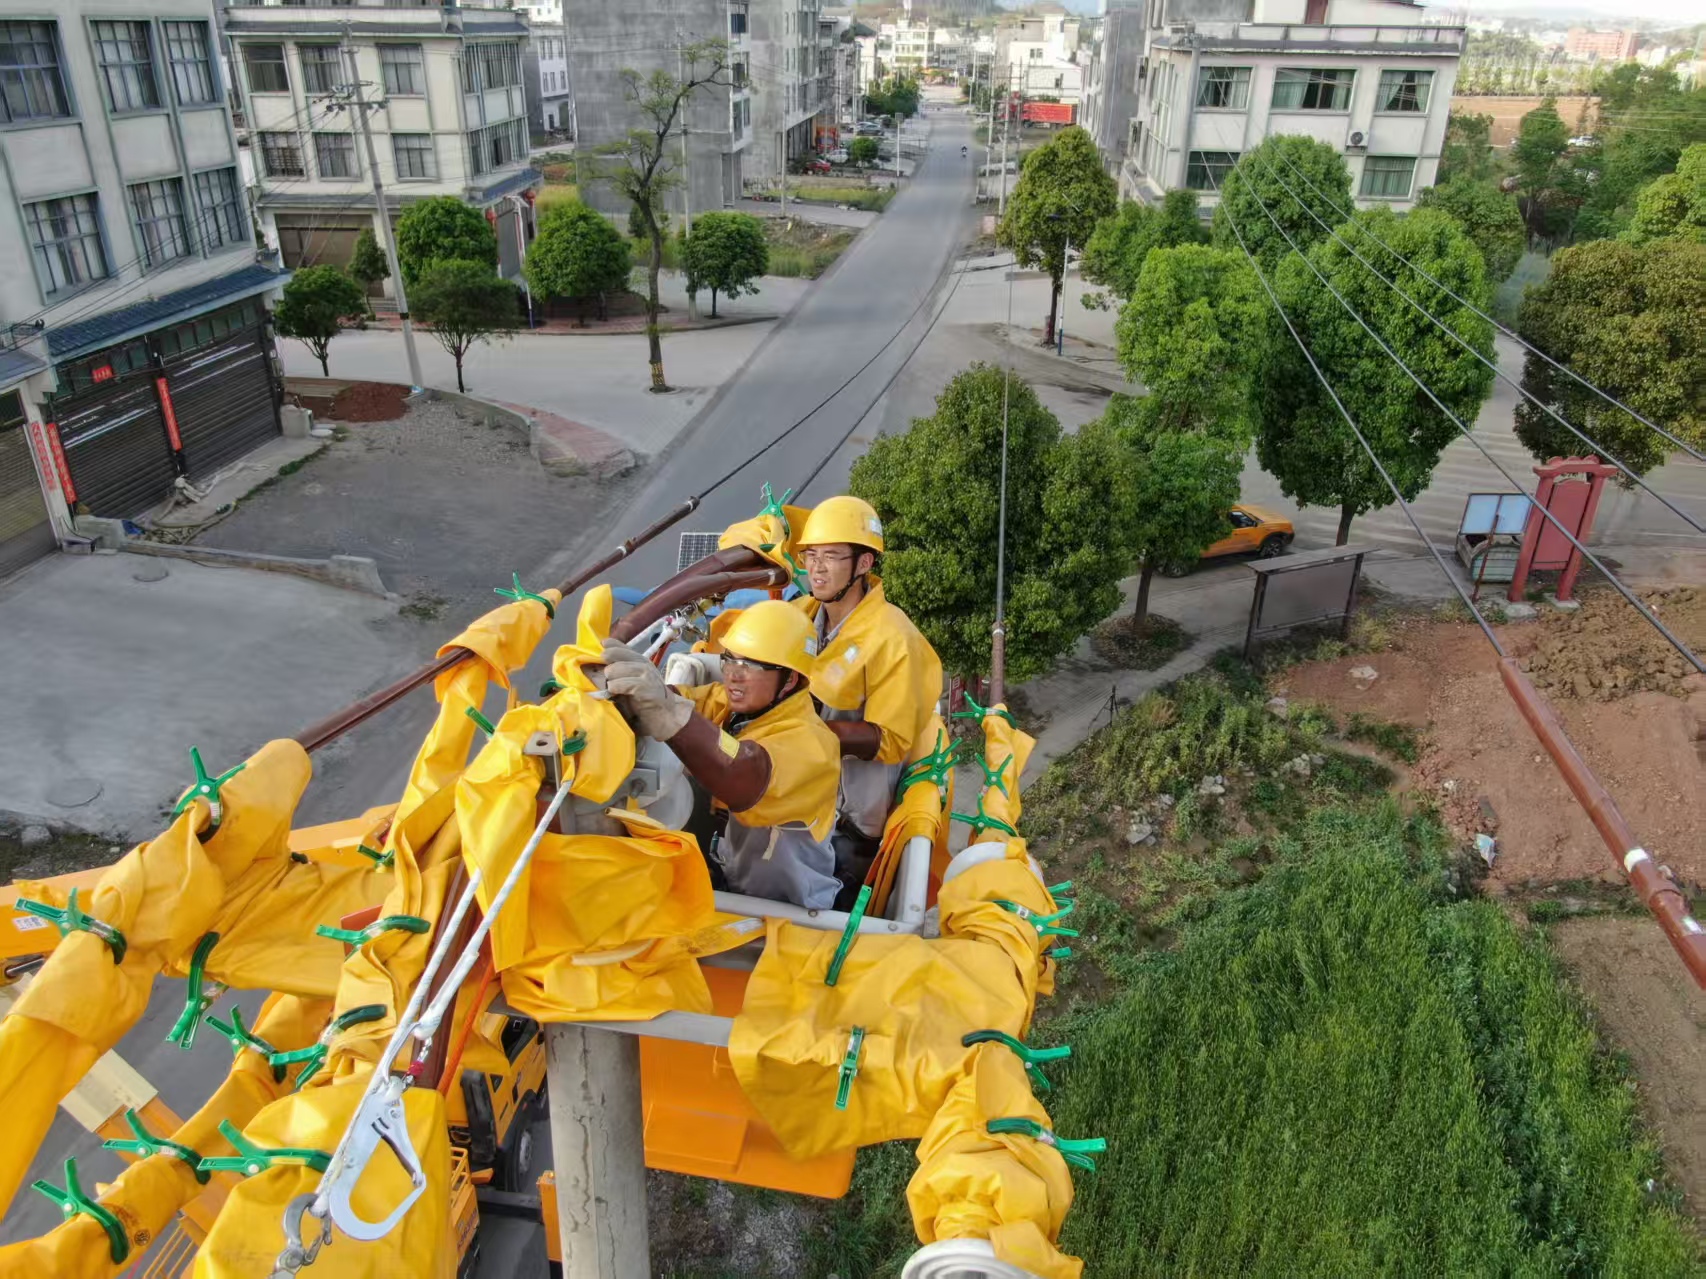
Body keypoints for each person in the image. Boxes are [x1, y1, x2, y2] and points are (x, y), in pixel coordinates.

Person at [600, 601, 842, 909]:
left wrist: (670, 714)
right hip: (743, 880)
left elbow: (745, 773)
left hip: (795, 909)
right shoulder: (739, 707)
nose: (733, 675)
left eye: (752, 665)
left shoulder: (814, 744)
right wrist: (631, 697)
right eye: (730, 659)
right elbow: (689, 701)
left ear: (790, 680)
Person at [793, 496, 943, 906]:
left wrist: (802, 732)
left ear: (863, 564)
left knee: (823, 917)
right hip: (800, 796)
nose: (817, 567)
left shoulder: (893, 637)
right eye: (811, 555)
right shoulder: (804, 615)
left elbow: (890, 739)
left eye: (832, 556)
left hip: (849, 821)